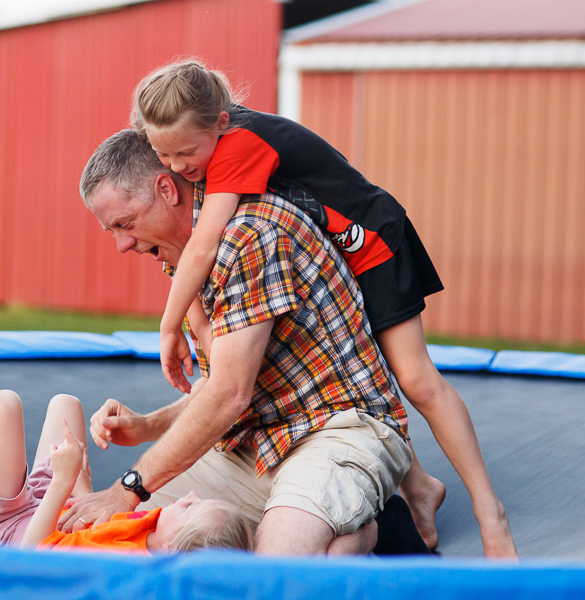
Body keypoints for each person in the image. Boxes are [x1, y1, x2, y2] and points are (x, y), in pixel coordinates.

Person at [130, 60, 516, 558]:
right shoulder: (205, 147)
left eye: (185, 153)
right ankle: (419, 487)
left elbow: (203, 248)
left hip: (373, 242)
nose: (178, 166)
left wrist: (168, 326)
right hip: (335, 247)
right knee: (355, 366)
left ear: (221, 123)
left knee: (417, 380)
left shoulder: (237, 145)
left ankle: (492, 516)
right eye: (164, 155)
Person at [60, 129, 413, 556]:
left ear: (167, 189)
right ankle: (331, 530)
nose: (122, 244)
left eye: (125, 223)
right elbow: (224, 381)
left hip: (335, 430)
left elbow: (229, 393)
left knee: (275, 566)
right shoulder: (186, 255)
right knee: (137, 540)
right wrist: (149, 426)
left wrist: (128, 487)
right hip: (253, 443)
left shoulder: (250, 237)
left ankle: (366, 528)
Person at [0, 390, 254, 553]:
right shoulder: (154, 528)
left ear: (173, 544)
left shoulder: (119, 558)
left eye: (192, 507)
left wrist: (63, 482)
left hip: (14, 530)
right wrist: (82, 486)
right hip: (59, 508)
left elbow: (30, 557)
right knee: (65, 403)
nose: (190, 496)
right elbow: (92, 523)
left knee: (0, 405)